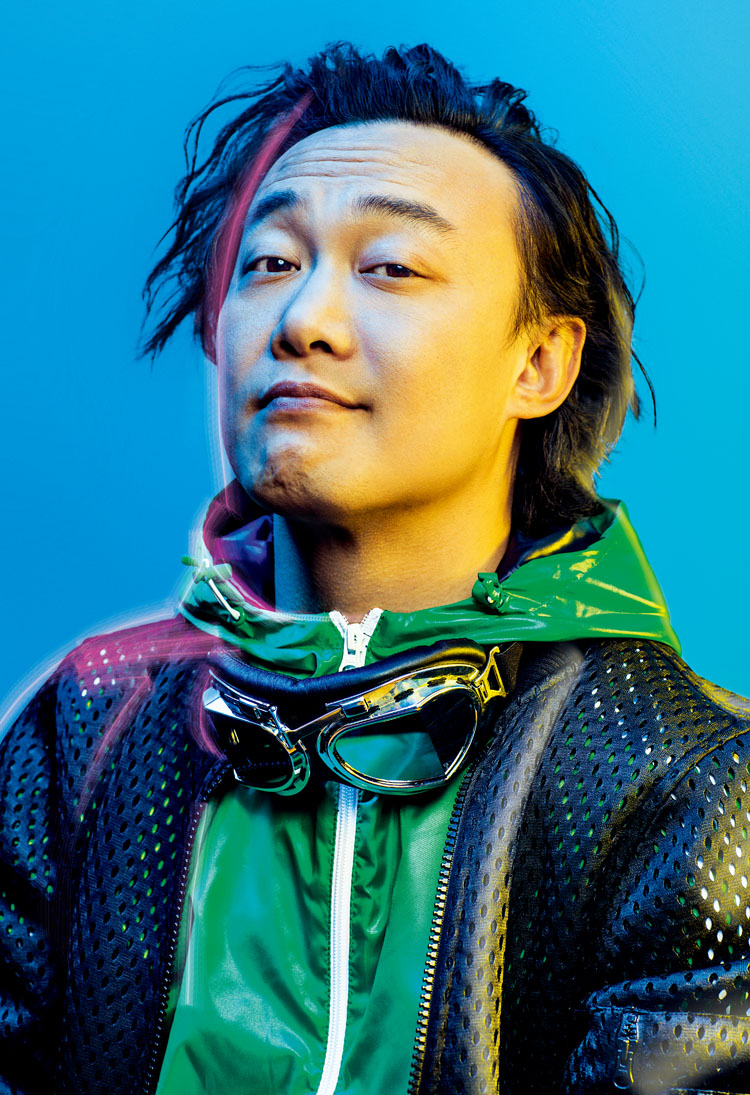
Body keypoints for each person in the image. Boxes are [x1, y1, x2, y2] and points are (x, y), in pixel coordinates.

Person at [1, 40, 749, 1095]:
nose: (302, 321)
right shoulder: (86, 731)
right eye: (269, 263)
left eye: (391, 267)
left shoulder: (678, 781)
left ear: (539, 363)